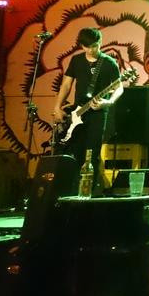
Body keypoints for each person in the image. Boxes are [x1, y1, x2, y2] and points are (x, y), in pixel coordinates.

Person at [52, 27, 124, 195]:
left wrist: (108, 102)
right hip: (77, 112)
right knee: (76, 152)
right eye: (87, 47)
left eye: (94, 46)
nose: (91, 50)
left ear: (100, 43)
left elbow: (119, 87)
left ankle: (88, 193)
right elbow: (66, 85)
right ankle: (73, 192)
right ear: (81, 46)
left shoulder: (108, 63)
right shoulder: (76, 60)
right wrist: (57, 107)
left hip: (98, 114)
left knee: (92, 152)